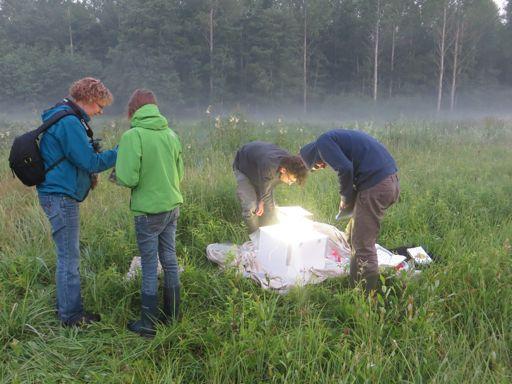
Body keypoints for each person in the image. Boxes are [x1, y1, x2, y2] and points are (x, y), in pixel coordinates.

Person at [37, 77, 117, 326]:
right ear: (90, 99)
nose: (100, 111)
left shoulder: (63, 116)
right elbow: (90, 163)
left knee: (66, 256)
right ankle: (71, 316)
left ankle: (65, 307)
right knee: (69, 258)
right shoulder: (70, 122)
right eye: (99, 106)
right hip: (61, 196)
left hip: (56, 194)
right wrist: (122, 150)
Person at [115, 89, 184, 338]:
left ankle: (147, 325)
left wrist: (118, 176)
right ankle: (173, 315)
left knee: (148, 265)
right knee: (170, 259)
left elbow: (128, 177)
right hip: (172, 207)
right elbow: (180, 173)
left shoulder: (133, 136)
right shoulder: (171, 134)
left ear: (133, 111)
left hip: (148, 211)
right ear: (154, 108)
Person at [300, 129, 399, 294]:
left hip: (377, 185)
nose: (322, 166)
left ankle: (366, 295)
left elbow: (345, 168)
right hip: (389, 181)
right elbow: (354, 166)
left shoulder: (323, 142)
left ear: (312, 156)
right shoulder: (335, 139)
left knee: (362, 244)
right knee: (353, 233)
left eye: (317, 165)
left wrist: (345, 198)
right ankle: (351, 273)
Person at [233, 141, 308, 233]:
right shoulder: (270, 167)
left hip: (260, 166)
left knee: (265, 204)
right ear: (283, 170)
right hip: (244, 165)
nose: (289, 184)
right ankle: (255, 237)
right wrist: (275, 227)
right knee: (251, 207)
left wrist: (262, 200)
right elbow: (267, 200)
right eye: (290, 180)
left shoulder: (288, 164)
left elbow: (267, 188)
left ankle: (264, 230)